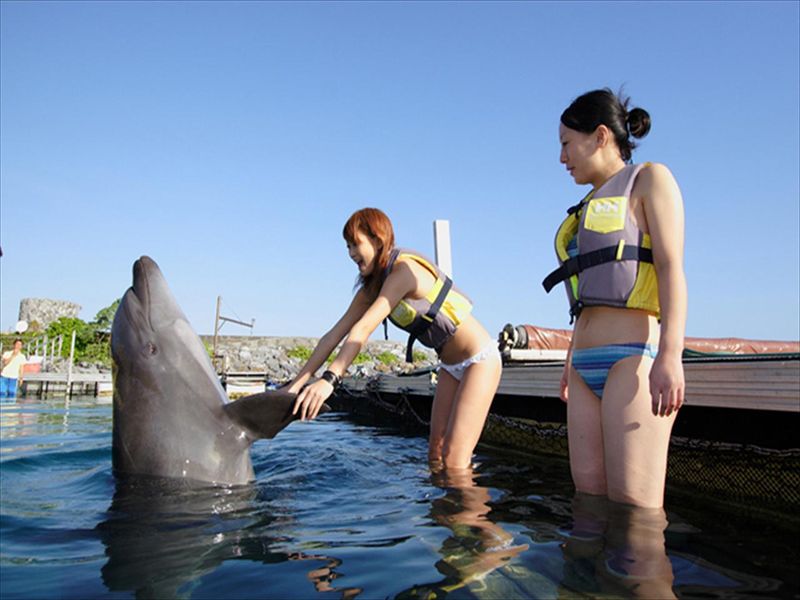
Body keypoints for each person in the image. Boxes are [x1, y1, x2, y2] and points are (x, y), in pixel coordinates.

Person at [542, 88, 687, 508]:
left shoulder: (649, 180)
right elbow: (585, 296)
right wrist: (570, 360)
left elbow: (671, 268)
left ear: (601, 136)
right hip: (582, 369)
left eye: (567, 144)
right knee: (588, 505)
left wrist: (671, 355)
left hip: (633, 360)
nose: (562, 158)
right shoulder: (585, 206)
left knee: (635, 513)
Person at [287, 208, 502, 469]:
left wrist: (329, 380)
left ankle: (469, 497)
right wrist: (295, 386)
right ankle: (443, 498)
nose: (351, 253)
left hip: (479, 360)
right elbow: (333, 336)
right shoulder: (372, 287)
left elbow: (363, 329)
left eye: (355, 244)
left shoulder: (403, 272)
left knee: (454, 460)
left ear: (377, 240)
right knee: (435, 454)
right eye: (347, 246)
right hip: (450, 366)